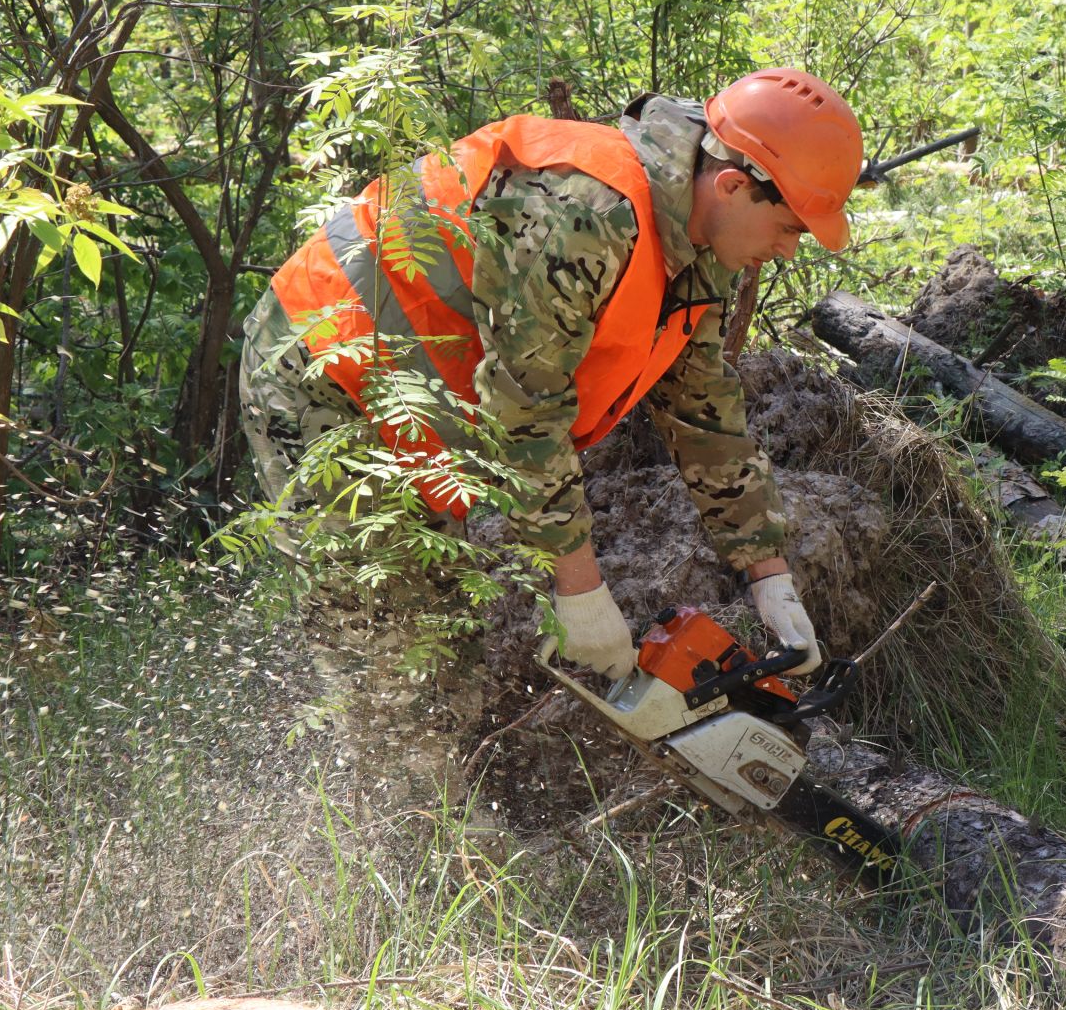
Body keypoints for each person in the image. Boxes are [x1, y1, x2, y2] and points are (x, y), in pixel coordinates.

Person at [236, 67, 863, 826]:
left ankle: (439, 824)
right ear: (733, 184)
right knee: (398, 640)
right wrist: (581, 589)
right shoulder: (585, 212)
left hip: (427, 398)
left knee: (443, 627)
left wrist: (768, 574)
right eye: (792, 226)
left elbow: (704, 412)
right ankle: (407, 851)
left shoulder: (694, 251)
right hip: (327, 367)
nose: (791, 251)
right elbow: (526, 405)